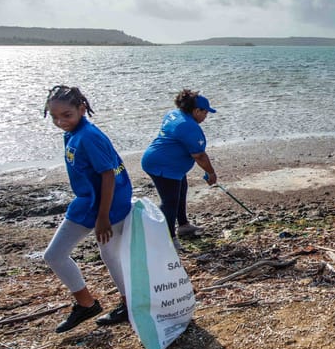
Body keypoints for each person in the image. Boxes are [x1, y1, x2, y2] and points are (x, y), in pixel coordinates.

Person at [42, 86, 132, 332]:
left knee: (107, 254)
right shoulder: (72, 133)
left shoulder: (89, 136)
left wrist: (102, 217)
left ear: (82, 110)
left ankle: (127, 305)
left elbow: (108, 175)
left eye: (67, 115)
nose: (60, 121)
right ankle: (87, 304)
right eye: (55, 116)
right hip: (87, 200)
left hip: (107, 203)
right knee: (56, 255)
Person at [141, 89, 218, 251]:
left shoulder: (174, 114)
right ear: (197, 110)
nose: (206, 116)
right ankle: (168, 239)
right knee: (169, 202)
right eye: (205, 112)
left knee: (181, 189)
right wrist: (211, 173)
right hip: (162, 166)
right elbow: (200, 156)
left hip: (163, 162)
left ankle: (183, 225)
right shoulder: (188, 126)